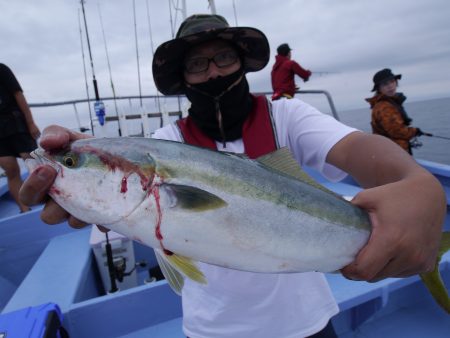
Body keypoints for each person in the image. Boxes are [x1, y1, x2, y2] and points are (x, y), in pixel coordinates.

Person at [19, 15, 446, 338]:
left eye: (224, 57)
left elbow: (360, 150)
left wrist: (414, 181)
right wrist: (76, 182)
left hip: (307, 320)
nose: (214, 72)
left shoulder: (287, 117)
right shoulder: (165, 142)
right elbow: (131, 207)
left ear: (242, 62)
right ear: (182, 79)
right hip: (213, 329)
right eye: (197, 64)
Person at [0, 63, 40, 212]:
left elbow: (18, 94)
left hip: (16, 123)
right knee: (10, 169)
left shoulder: (1, 69)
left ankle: (54, 200)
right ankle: (24, 209)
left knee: (34, 163)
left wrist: (30, 123)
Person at [366, 68, 424, 154]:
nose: (390, 86)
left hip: (393, 153)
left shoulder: (390, 103)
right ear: (379, 88)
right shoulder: (384, 107)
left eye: (392, 81)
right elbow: (397, 131)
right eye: (385, 84)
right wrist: (414, 131)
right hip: (393, 154)